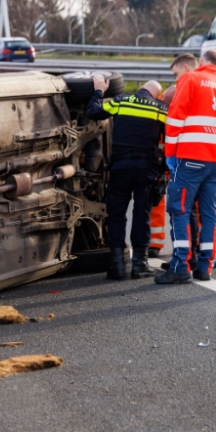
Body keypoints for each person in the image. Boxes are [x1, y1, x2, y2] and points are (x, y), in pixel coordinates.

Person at [156, 49, 216, 285]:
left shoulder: (191, 79)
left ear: (201, 62)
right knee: (210, 215)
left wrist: (170, 154)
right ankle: (205, 267)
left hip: (190, 158)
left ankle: (181, 265)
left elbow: (174, 119)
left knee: (180, 210)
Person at [87, 77, 168, 279]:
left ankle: (117, 266)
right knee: (142, 214)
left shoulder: (121, 101)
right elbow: (170, 142)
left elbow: (93, 112)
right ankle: (140, 265)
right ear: (157, 95)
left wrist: (99, 91)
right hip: (146, 168)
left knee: (116, 214)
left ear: (141, 88)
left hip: (120, 167)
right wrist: (164, 172)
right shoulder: (160, 109)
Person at [148, 54, 200, 258]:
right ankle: (194, 246)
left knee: (175, 202)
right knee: (191, 202)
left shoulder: (174, 94)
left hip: (174, 156)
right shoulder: (193, 93)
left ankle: (162, 243)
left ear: (185, 68)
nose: (176, 77)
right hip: (182, 157)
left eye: (176, 73)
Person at [148, 83, 178, 258]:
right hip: (161, 159)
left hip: (175, 158)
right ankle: (154, 242)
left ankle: (194, 243)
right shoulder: (157, 105)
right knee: (156, 199)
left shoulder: (182, 104)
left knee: (184, 202)